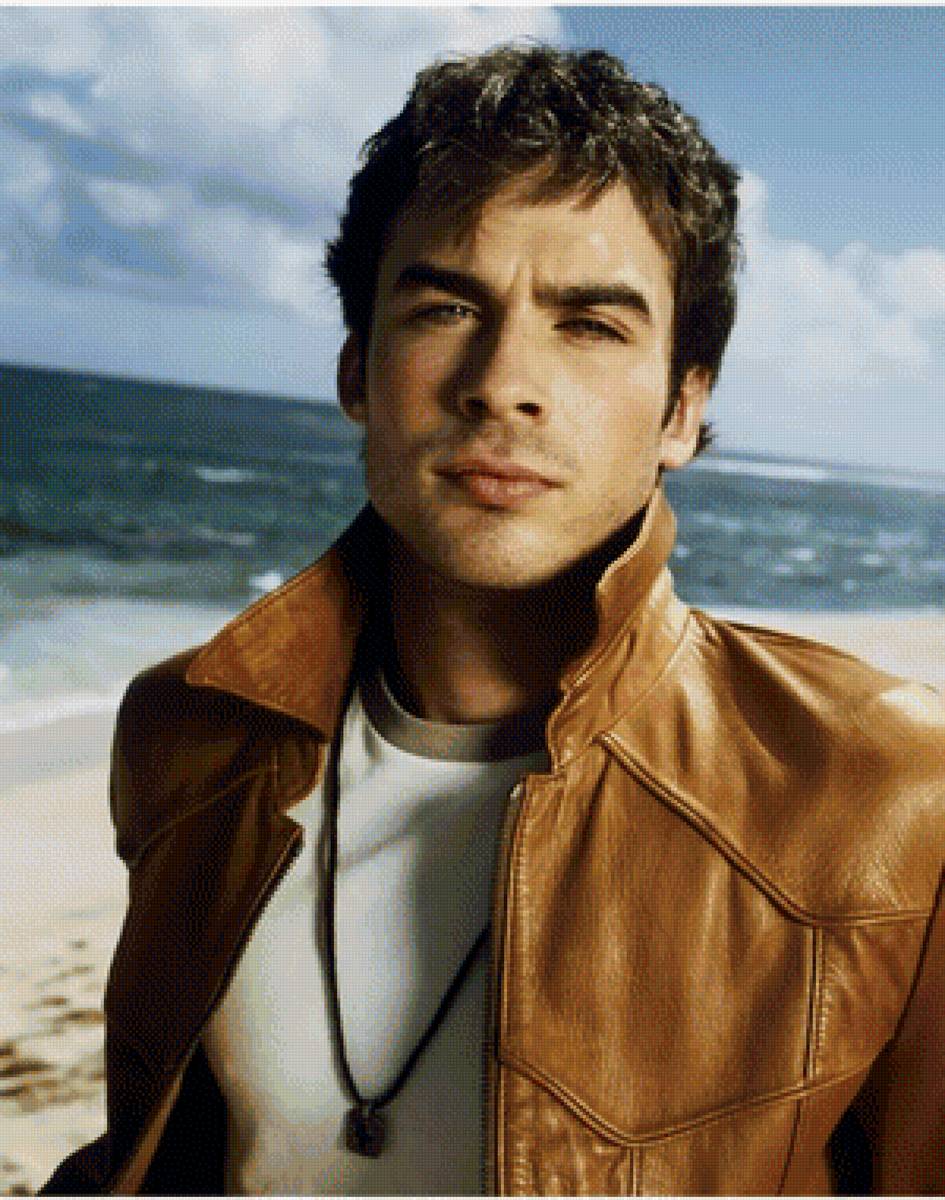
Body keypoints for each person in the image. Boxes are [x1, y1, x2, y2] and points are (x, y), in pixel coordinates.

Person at [44, 44, 945, 1196]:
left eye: (591, 324)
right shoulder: (190, 731)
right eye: (446, 305)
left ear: (682, 409)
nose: (501, 381)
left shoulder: (888, 792)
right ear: (359, 370)